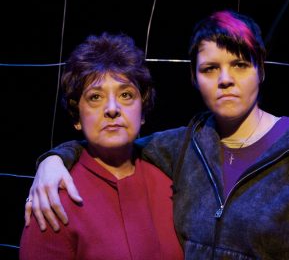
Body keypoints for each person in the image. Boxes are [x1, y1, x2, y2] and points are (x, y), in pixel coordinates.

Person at [25, 10, 289, 259]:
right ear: (194, 78)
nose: (225, 79)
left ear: (261, 70)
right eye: (210, 68)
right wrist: (54, 158)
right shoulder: (182, 147)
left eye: (239, 64)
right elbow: (112, 136)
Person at [20, 33, 184, 260]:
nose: (112, 108)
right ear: (77, 116)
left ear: (143, 110)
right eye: (95, 97)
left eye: (126, 95)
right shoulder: (54, 199)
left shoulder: (170, 181)